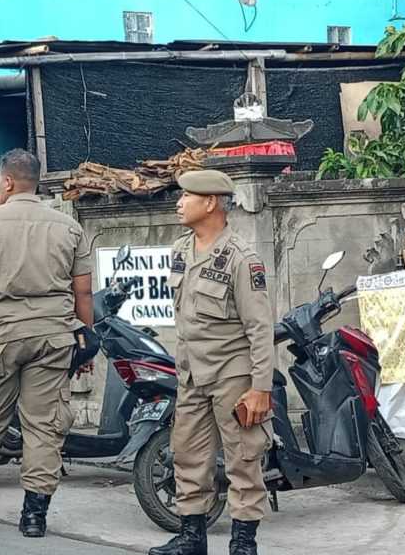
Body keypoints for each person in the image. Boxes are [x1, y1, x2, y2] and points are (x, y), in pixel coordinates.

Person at [0, 148, 94, 538]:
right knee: (44, 428)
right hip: (53, 337)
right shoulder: (67, 226)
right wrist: (86, 338)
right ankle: (34, 518)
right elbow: (84, 293)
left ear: (7, 181)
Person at [149, 171, 275, 555]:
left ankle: (243, 544)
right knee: (187, 456)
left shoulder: (241, 258)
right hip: (191, 375)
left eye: (187, 196)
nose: (179, 202)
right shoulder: (180, 249)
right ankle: (192, 538)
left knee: (243, 458)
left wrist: (260, 388)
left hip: (232, 376)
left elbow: (260, 328)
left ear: (210, 203)